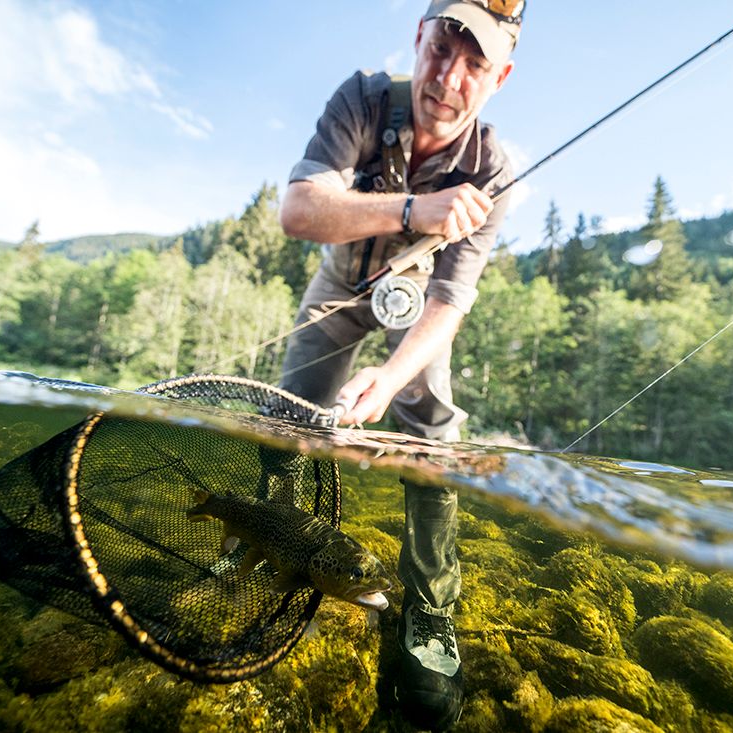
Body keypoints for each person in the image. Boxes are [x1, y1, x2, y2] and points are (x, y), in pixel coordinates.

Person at [277, 1, 522, 728]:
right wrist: (417, 209)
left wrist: (389, 378)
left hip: (416, 309)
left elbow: (449, 303)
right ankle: (272, 548)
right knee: (284, 416)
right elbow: (300, 211)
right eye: (442, 49)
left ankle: (429, 614)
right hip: (339, 284)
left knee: (432, 436)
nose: (449, 77)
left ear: (499, 76)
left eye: (474, 63)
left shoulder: (496, 171)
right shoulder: (362, 97)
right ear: (419, 39)